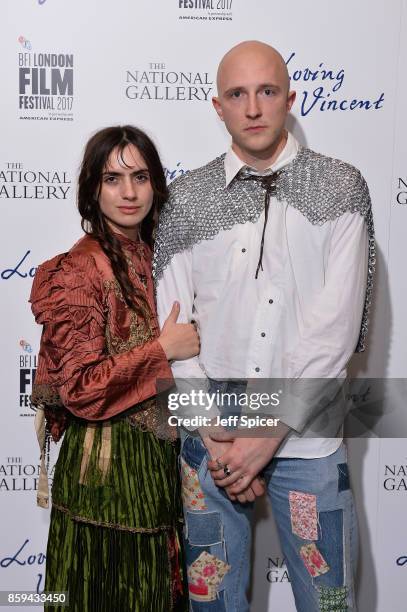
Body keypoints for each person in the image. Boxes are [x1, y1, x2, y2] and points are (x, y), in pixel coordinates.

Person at [154, 41, 374, 611]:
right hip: (212, 442)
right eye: (237, 94)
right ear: (218, 106)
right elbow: (174, 326)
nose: (253, 107)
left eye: (267, 91)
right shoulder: (187, 199)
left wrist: (265, 434)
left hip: (308, 436)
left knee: (329, 604)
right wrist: (215, 435)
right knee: (214, 605)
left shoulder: (340, 186)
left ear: (290, 99)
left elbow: (336, 329)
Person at [30, 125, 200, 611]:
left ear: (155, 184)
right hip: (103, 473)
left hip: (157, 465)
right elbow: (81, 388)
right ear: (92, 188)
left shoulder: (152, 253)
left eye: (140, 177)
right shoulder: (83, 267)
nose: (129, 192)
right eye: (113, 178)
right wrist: (163, 349)